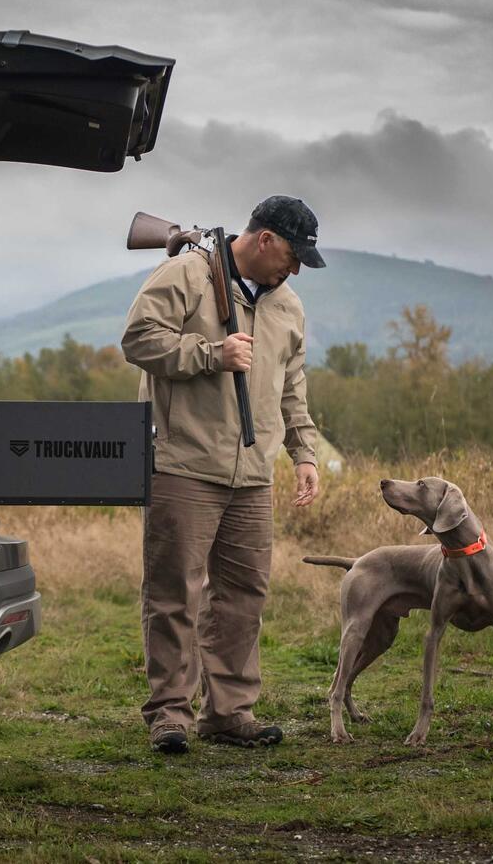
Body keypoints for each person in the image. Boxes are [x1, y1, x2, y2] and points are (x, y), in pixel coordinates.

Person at [120, 195, 324, 754]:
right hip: (184, 462)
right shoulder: (187, 272)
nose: (296, 267)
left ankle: (229, 712)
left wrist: (304, 453)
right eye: (292, 253)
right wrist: (211, 353)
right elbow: (137, 339)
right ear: (264, 240)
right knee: (173, 594)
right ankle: (169, 715)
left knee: (243, 595)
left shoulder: (289, 306)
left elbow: (292, 385)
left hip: (254, 474)